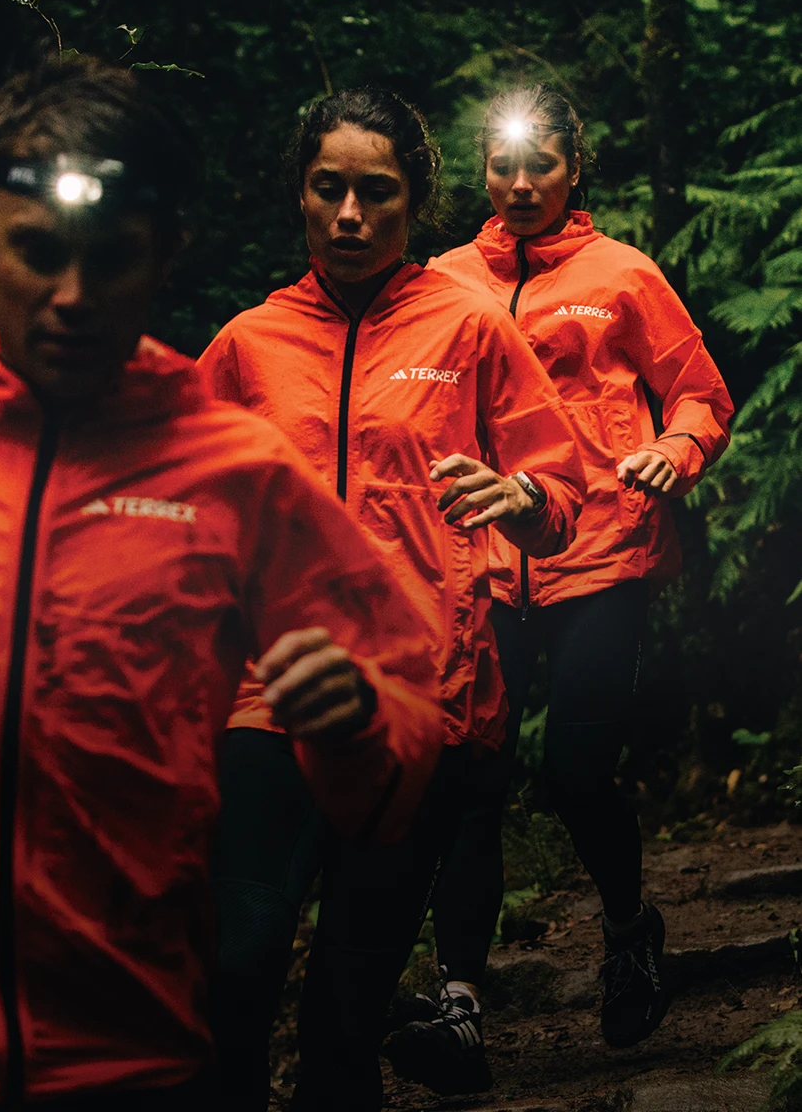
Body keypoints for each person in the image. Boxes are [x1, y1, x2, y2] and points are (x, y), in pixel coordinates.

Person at [0, 54, 445, 1110]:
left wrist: (354, 716)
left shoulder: (232, 470)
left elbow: (406, 703)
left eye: (111, 259)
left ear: (167, 250)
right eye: (38, 253)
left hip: (141, 1051)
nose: (72, 297)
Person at [197, 87, 586, 1111]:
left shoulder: (467, 329)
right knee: (234, 969)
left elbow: (562, 491)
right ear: (301, 194)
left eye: (377, 192)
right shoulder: (245, 345)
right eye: (329, 189)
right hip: (265, 696)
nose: (350, 215)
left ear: (416, 201)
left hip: (415, 708)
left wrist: (526, 495)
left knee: (344, 1015)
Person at [383, 83, 734, 1094]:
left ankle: (629, 932)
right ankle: (459, 1007)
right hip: (480, 568)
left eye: (542, 162)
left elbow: (698, 392)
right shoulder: (442, 282)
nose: (523, 181)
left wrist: (678, 448)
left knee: (576, 772)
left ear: (574, 169)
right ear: (483, 174)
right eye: (504, 164)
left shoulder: (620, 273)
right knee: (470, 789)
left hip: (602, 557)